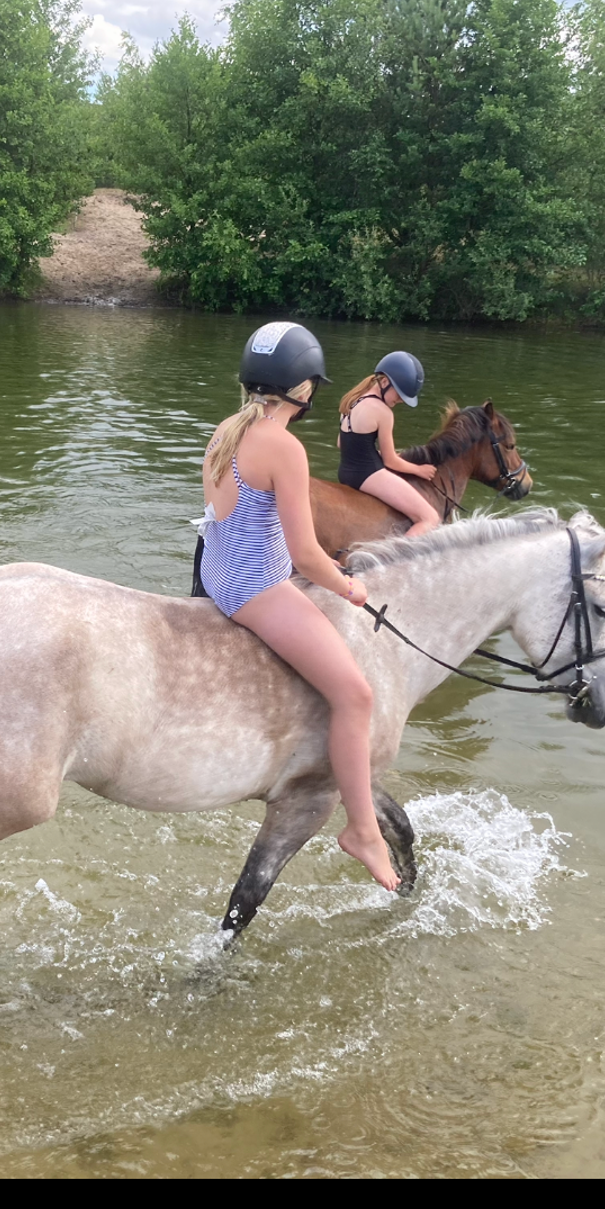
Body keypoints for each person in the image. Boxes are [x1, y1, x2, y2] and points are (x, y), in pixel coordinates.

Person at [198, 321, 399, 892]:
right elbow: (309, 555)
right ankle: (362, 831)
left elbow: (229, 517)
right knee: (355, 695)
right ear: (304, 389)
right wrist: (348, 587)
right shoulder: (283, 446)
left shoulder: (226, 429)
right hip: (252, 586)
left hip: (216, 570)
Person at [337, 351, 440, 535]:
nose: (400, 401)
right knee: (430, 518)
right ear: (384, 382)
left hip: (345, 472)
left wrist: (370, 452)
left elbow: (341, 443)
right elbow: (390, 461)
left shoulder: (351, 402)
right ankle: (396, 560)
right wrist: (419, 470)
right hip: (369, 475)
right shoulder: (383, 412)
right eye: (399, 395)